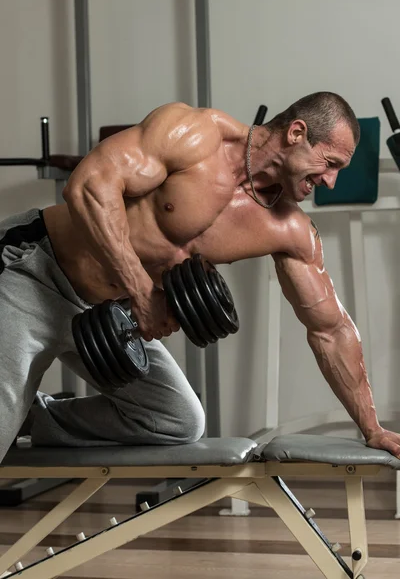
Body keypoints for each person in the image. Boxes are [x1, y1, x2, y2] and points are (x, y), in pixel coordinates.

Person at [0, 91, 399, 463]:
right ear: (297, 133)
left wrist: (371, 428)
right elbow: (89, 186)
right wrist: (142, 292)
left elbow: (331, 330)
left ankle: (32, 418)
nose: (330, 182)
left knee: (176, 419)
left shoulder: (289, 230)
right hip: (33, 269)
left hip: (104, 315)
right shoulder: (194, 134)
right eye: (330, 164)